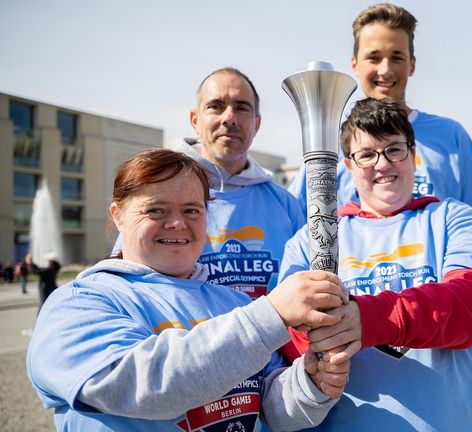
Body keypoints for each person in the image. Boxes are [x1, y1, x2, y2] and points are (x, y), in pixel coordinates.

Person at [27, 148, 350, 431]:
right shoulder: (77, 303)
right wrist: (272, 314)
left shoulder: (232, 302)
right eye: (156, 209)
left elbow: (268, 408)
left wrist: (308, 385)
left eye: (192, 210)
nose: (178, 223)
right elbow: (148, 387)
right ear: (118, 215)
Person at [277, 98, 472, 431]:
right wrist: (313, 338)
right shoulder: (309, 241)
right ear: (349, 165)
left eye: (394, 150)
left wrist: (366, 319)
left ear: (413, 155)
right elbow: (289, 336)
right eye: (367, 154)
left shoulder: (454, 219)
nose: (382, 164)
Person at [288, 2, 472, 221]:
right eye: (374, 57)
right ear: (355, 64)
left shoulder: (451, 136)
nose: (385, 70)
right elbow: (294, 217)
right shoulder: (329, 145)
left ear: (412, 64)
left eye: (397, 57)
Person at [114, 67, 305, 301]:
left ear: (257, 124)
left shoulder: (285, 204)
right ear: (195, 120)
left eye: (242, 107)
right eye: (215, 106)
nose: (229, 118)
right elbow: (126, 281)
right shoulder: (153, 193)